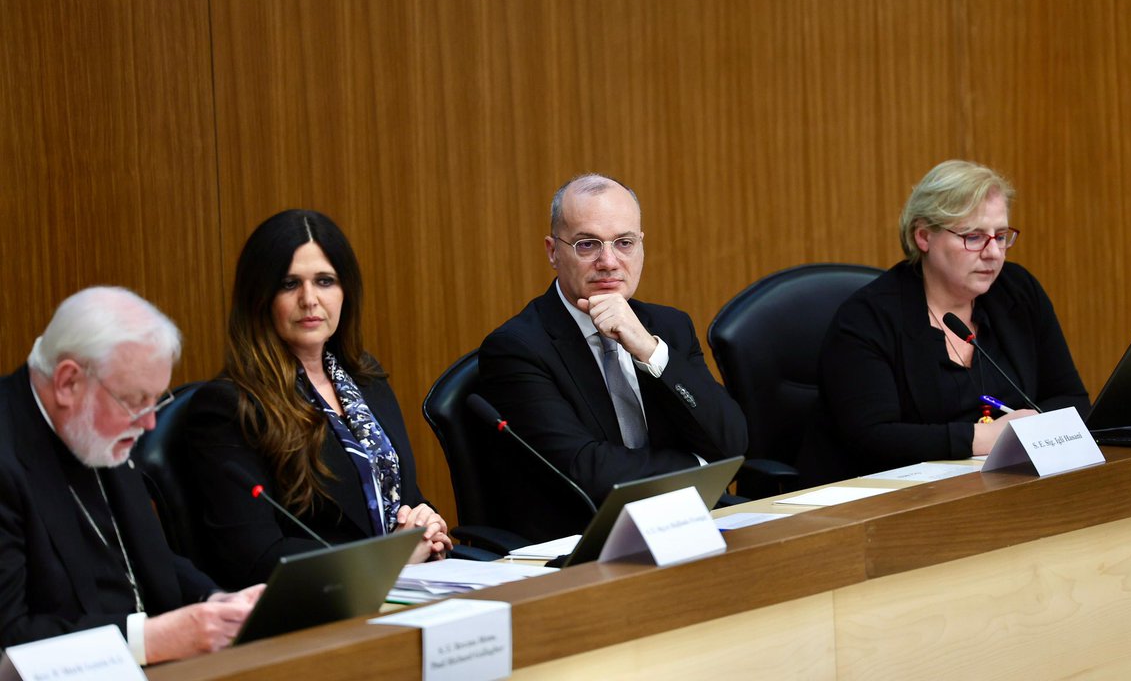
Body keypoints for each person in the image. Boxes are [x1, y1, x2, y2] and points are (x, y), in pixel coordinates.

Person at [179, 210, 450, 590]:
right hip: (318, 609)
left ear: (346, 292)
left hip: (408, 588)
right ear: (260, 297)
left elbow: (400, 495)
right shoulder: (229, 408)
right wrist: (388, 558)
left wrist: (426, 526)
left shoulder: (364, 379)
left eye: (325, 281)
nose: (310, 300)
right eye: (290, 284)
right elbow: (255, 558)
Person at [0, 287, 263, 664]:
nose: (150, 422)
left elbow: (147, 555)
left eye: (155, 401)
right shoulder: (8, 454)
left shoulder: (98, 429)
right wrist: (150, 639)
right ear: (68, 382)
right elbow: (9, 638)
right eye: (136, 401)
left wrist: (216, 601)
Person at [478, 174, 748, 541]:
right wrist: (698, 468)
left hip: (682, 530)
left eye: (624, 243)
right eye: (588, 244)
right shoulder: (517, 348)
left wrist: (650, 352)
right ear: (553, 251)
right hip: (582, 545)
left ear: (641, 247)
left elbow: (730, 441)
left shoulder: (667, 326)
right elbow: (585, 470)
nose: (609, 261)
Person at [819, 159, 1090, 475]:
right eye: (973, 237)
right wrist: (982, 437)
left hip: (1009, 482)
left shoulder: (1017, 292)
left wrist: (1030, 434)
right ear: (923, 237)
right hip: (894, 497)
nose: (993, 253)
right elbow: (872, 438)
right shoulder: (867, 318)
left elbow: (1072, 399)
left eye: (1000, 236)